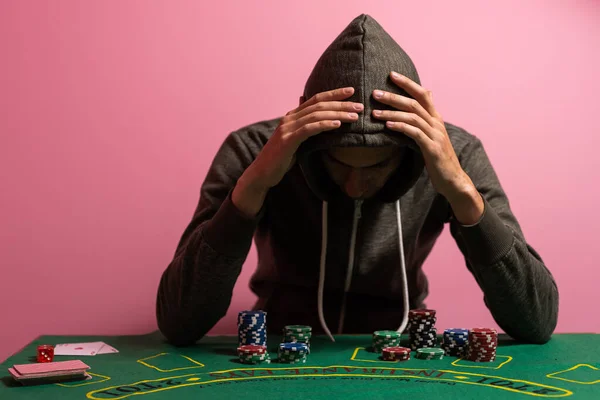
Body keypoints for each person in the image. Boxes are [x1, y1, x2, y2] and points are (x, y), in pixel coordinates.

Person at [155, 14, 558, 346]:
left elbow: (537, 321)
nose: (354, 186)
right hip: (283, 346)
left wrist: (462, 193)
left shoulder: (456, 155)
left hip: (399, 350)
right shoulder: (253, 151)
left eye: (377, 167)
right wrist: (252, 188)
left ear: (408, 154)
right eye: (338, 163)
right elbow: (178, 321)